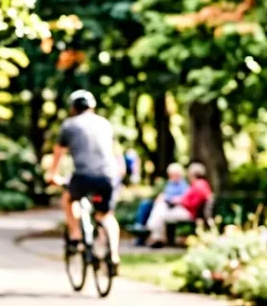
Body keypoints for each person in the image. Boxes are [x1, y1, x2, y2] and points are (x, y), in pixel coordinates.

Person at [44, 89, 122, 266]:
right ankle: (114, 255)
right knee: (107, 215)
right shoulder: (104, 124)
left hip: (83, 176)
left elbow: (58, 153)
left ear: (73, 108)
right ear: (92, 106)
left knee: (68, 199)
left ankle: (76, 237)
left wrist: (52, 175)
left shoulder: (69, 126)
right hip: (109, 175)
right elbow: (113, 151)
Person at [144, 162, 213, 247]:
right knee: (160, 208)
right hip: (187, 210)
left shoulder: (198, 185)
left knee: (160, 213)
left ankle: (156, 234)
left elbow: (194, 203)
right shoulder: (201, 184)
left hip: (189, 213)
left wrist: (180, 201)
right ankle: (156, 234)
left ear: (192, 174)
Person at [133, 163, 189, 246]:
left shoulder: (183, 184)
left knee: (158, 210)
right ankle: (146, 232)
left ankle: (152, 234)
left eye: (173, 175)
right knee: (147, 205)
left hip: (175, 207)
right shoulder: (170, 183)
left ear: (178, 174)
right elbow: (165, 194)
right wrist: (162, 196)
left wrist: (170, 199)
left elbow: (184, 198)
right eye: (170, 175)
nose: (171, 176)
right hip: (165, 205)